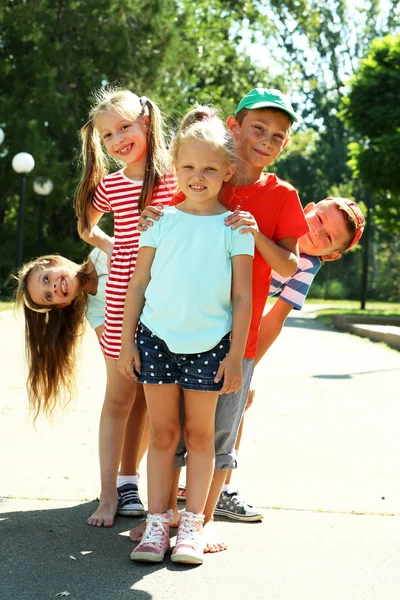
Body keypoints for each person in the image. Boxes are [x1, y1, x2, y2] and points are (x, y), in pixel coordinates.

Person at [130, 88, 310, 552]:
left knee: (216, 434)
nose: (267, 140)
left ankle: (202, 521)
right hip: (173, 327)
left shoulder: (281, 195)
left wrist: (254, 231)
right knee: (169, 432)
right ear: (234, 126)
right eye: (258, 128)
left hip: (235, 336)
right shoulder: (211, 171)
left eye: (278, 135)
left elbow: (291, 266)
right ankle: (163, 518)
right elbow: (174, 214)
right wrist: (152, 213)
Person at [118, 106, 254, 565]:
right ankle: (157, 524)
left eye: (210, 168)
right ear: (174, 168)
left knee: (199, 436)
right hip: (155, 339)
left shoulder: (236, 227)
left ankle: (191, 526)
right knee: (162, 434)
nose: (198, 176)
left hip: (211, 346)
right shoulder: (158, 220)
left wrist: (234, 355)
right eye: (189, 167)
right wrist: (126, 342)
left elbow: (241, 298)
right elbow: (138, 284)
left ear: (227, 171)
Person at [211, 196, 366, 521]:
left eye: (327, 237)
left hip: (237, 335)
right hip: (203, 313)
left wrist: (246, 368)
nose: (316, 231)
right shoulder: (271, 219)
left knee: (236, 405)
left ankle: (222, 488)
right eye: (320, 219)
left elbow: (274, 319)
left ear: (332, 254)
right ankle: (131, 480)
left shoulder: (308, 264)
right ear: (307, 208)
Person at [75, 87, 175, 527]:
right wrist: (112, 246)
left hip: (172, 308)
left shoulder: (179, 175)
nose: (118, 139)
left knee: (158, 405)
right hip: (120, 307)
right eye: (108, 134)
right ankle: (109, 494)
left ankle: (154, 494)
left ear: (147, 121)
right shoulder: (111, 185)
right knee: (119, 400)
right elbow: (85, 225)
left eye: (124, 127)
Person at [14, 249, 150, 498]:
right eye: (49, 296)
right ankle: (128, 479)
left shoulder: (102, 253)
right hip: (154, 347)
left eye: (47, 279)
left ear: (55, 262)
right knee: (139, 391)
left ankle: (133, 478)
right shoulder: (95, 309)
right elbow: (114, 352)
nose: (54, 288)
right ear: (61, 305)